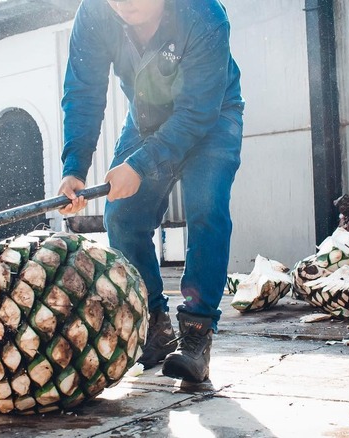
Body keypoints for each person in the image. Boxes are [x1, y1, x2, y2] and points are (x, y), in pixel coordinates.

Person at [57, 0, 243, 383]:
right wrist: (74, 166)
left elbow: (197, 113)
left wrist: (140, 166)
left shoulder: (204, 14)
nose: (124, 3)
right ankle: (153, 326)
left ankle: (196, 334)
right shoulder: (94, 13)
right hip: (146, 119)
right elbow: (84, 89)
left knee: (206, 206)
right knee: (121, 216)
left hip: (212, 115)